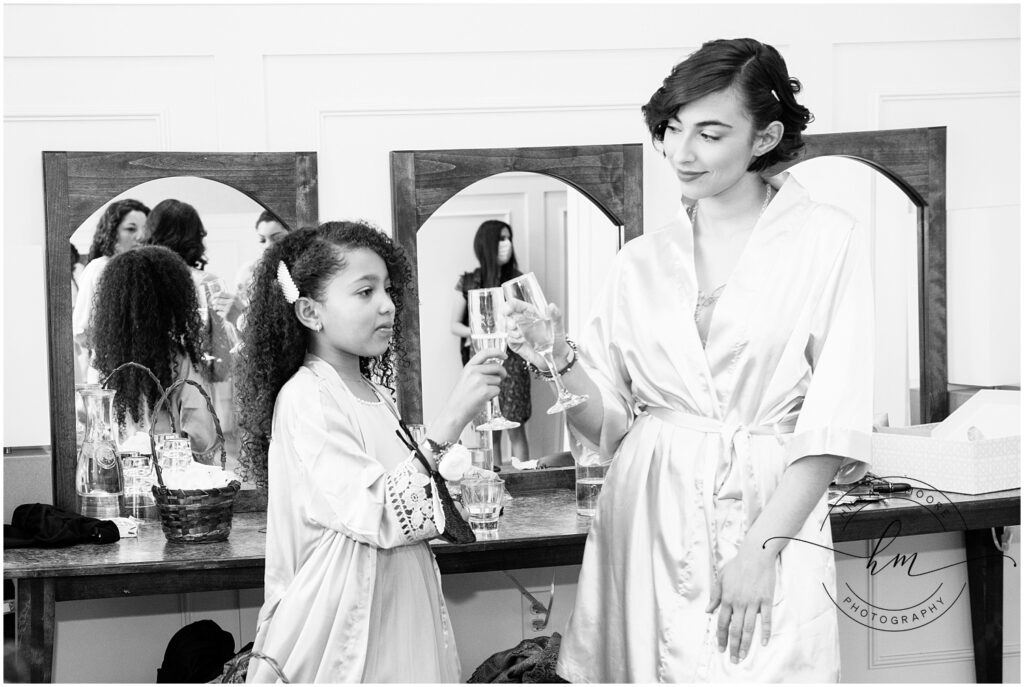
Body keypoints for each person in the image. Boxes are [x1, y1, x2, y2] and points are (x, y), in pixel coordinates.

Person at [506, 38, 873, 682]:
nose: (681, 152)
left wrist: (761, 551)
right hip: (647, 514)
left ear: (765, 137)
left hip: (767, 508)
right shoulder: (642, 261)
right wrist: (555, 354)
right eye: (671, 130)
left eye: (709, 133)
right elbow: (612, 429)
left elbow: (831, 422)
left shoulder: (826, 240)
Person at [235, 220, 506, 682]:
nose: (387, 304)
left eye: (387, 288)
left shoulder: (370, 392)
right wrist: (451, 418)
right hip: (346, 623)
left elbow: (403, 483)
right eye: (365, 292)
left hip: (396, 602)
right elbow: (379, 510)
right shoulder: (307, 397)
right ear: (309, 312)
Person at [90, 245, 218, 460]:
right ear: (174, 300)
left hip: (118, 474)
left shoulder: (101, 361)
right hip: (171, 479)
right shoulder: (179, 360)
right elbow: (203, 437)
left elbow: (92, 425)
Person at [452, 220, 532, 464]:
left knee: (515, 425)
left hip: (515, 363)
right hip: (484, 360)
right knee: (490, 429)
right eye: (501, 238)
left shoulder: (517, 281)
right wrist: (480, 333)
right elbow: (453, 325)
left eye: (509, 238)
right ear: (486, 243)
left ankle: (523, 474)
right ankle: (497, 476)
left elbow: (531, 321)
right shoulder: (468, 282)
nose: (506, 244)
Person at [71, 198, 150, 380]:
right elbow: (81, 332)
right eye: (131, 229)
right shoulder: (98, 268)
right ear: (112, 232)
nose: (140, 236)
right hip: (110, 373)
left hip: (149, 375)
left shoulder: (150, 271)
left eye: (145, 230)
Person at [231, 209, 291, 329]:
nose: (268, 246)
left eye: (277, 238)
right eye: (262, 240)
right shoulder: (248, 273)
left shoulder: (300, 275)